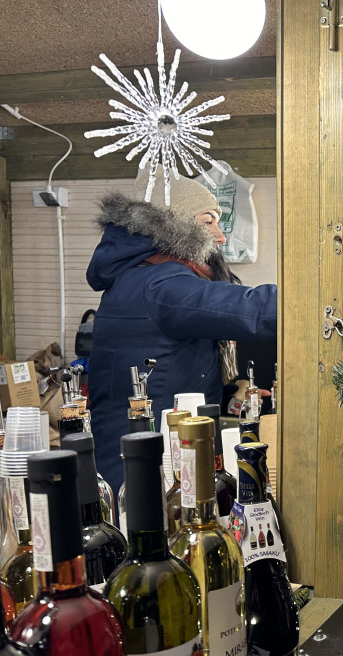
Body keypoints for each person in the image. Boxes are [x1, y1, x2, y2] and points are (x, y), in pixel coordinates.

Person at [86, 169, 277, 491]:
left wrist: (230, 389)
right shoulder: (159, 284)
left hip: (155, 446)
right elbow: (249, 309)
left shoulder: (146, 276)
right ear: (173, 226)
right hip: (147, 459)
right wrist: (322, 301)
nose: (220, 236)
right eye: (207, 221)